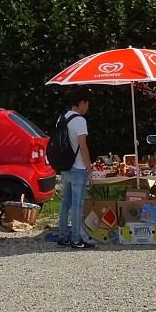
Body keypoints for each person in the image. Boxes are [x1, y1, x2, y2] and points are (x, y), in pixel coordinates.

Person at [57, 88, 95, 249]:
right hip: (78, 167)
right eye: (87, 104)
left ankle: (63, 236)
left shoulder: (62, 118)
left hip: (65, 166)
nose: (88, 108)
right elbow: (83, 146)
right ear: (81, 103)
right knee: (77, 204)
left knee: (65, 203)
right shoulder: (80, 121)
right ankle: (77, 238)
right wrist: (89, 166)